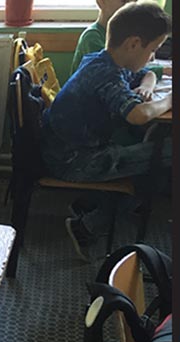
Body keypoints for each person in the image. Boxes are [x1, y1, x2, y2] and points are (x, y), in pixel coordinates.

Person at [41, 1, 172, 261]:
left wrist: (148, 84)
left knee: (155, 153)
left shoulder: (107, 61)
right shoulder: (106, 76)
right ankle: (89, 225)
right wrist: (169, 101)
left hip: (76, 150)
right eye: (153, 49)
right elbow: (138, 115)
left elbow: (148, 74)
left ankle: (93, 207)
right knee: (165, 155)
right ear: (134, 44)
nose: (153, 56)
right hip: (74, 161)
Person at [71, 0, 169, 77]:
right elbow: (117, 71)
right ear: (101, 1)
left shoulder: (128, 34)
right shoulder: (92, 37)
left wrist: (149, 78)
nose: (130, 4)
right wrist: (161, 71)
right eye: (124, 0)